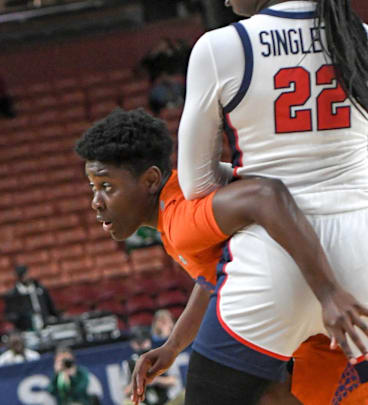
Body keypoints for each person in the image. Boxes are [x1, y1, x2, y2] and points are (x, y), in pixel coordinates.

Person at [75, 108, 367, 404]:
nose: (96, 202)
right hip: (316, 326)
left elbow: (264, 196)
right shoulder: (175, 208)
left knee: (254, 391)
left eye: (107, 187)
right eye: (94, 188)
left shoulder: (181, 219)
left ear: (150, 181)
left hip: (326, 297)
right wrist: (174, 345)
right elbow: (215, 277)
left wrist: (329, 293)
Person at [176, 0, 368, 403]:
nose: (225, 0)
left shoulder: (220, 47)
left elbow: (197, 186)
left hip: (271, 258)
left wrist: (251, 183)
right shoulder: (361, 36)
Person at [4, 265, 59, 331]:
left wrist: (55, 316)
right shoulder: (13, 295)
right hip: (27, 328)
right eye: (23, 275)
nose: (26, 277)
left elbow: (50, 306)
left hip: (46, 325)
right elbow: (11, 315)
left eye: (27, 274)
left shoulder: (39, 288)